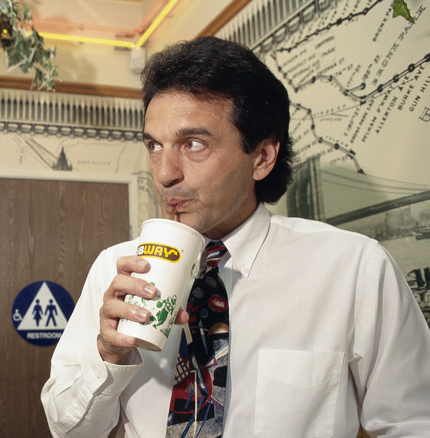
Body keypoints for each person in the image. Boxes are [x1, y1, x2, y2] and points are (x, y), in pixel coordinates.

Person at [40, 36, 430, 437]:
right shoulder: (115, 269)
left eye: (193, 144)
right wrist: (108, 354)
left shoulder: (355, 269)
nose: (164, 173)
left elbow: (415, 423)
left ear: (261, 157)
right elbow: (70, 431)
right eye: (155, 145)